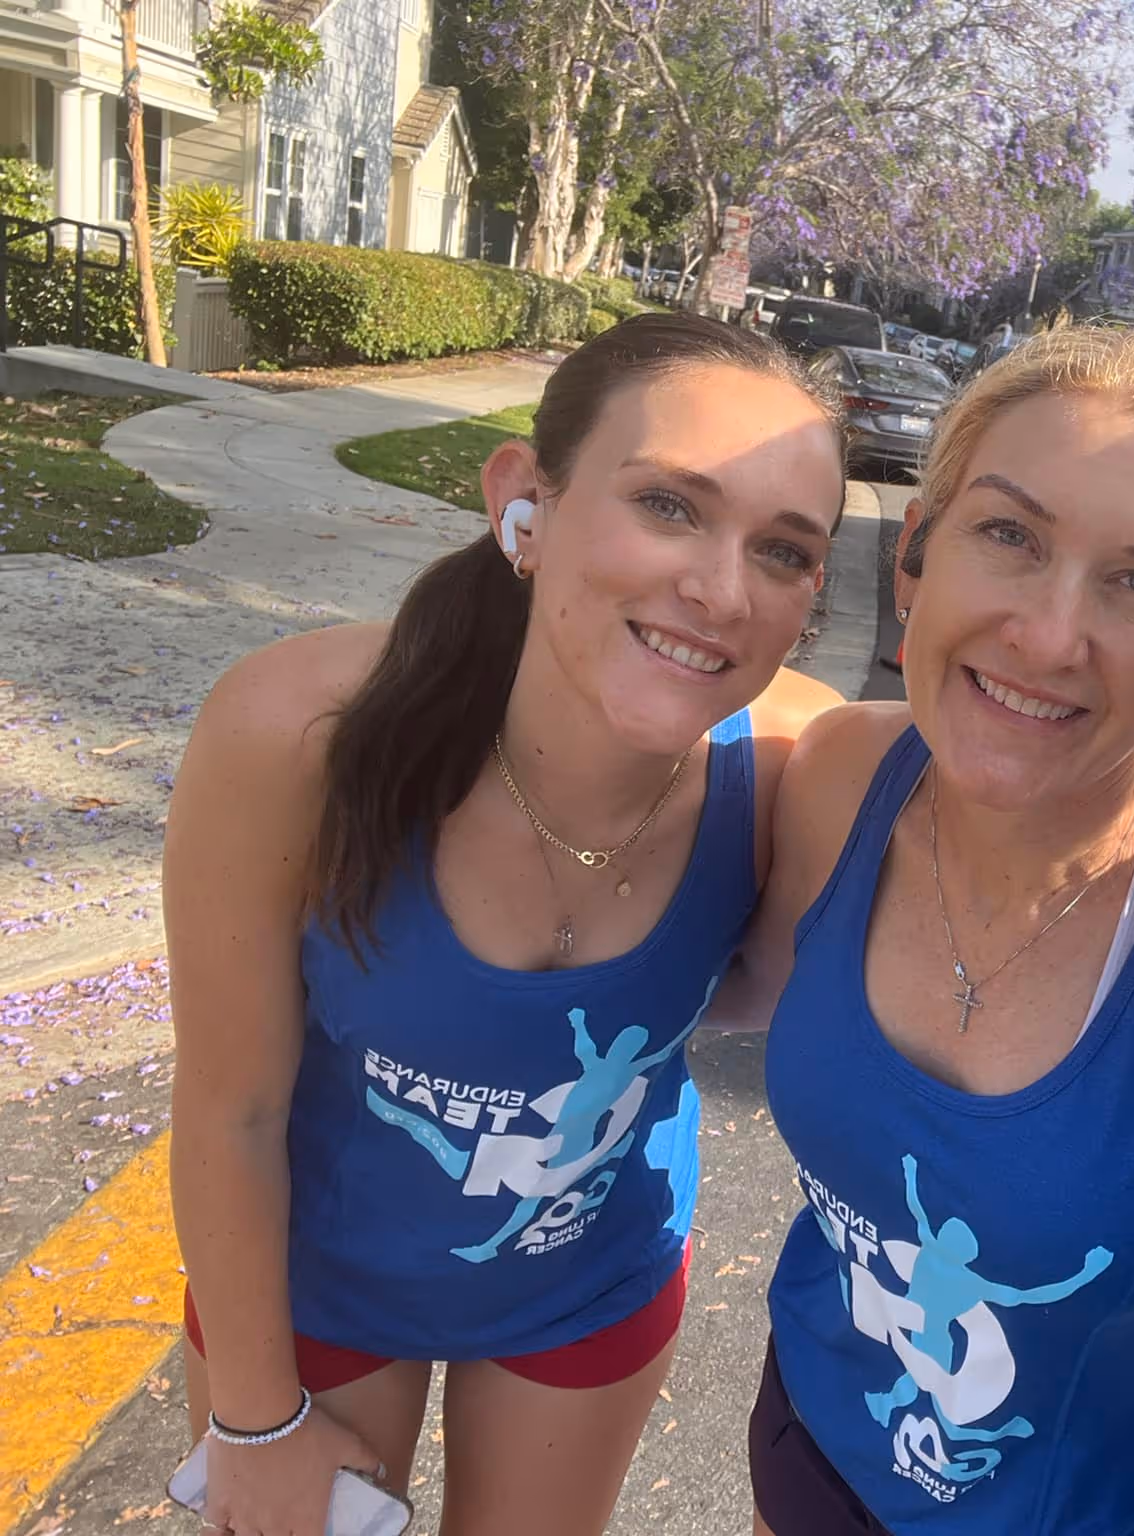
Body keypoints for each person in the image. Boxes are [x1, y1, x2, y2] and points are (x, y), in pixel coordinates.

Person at [164, 312, 848, 1536]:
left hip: (585, 1282)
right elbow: (232, 1107)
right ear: (526, 501)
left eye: (786, 552)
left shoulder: (799, 762)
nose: (720, 589)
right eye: (670, 505)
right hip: (312, 1278)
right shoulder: (298, 733)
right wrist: (253, 1423)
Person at [713, 326, 1134, 1535]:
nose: (1046, 633)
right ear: (916, 551)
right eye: (1010, 535)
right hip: (806, 1446)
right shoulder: (840, 777)